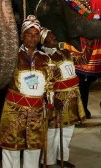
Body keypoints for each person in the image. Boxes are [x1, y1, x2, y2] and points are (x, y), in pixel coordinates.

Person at [0, 15, 55, 168]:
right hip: (14, 111)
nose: (33, 38)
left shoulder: (45, 59)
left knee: (34, 149)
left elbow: (50, 85)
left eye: (36, 34)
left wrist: (50, 104)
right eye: (29, 34)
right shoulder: (12, 56)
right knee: (11, 149)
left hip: (36, 112)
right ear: (22, 36)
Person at [41, 28, 91, 168]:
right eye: (49, 37)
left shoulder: (66, 52)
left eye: (53, 35)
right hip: (58, 98)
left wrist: (90, 46)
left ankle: (62, 157)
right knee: (52, 131)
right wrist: (52, 99)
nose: (54, 38)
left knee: (68, 130)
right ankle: (48, 160)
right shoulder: (45, 58)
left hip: (73, 96)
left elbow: (83, 59)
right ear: (43, 42)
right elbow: (47, 82)